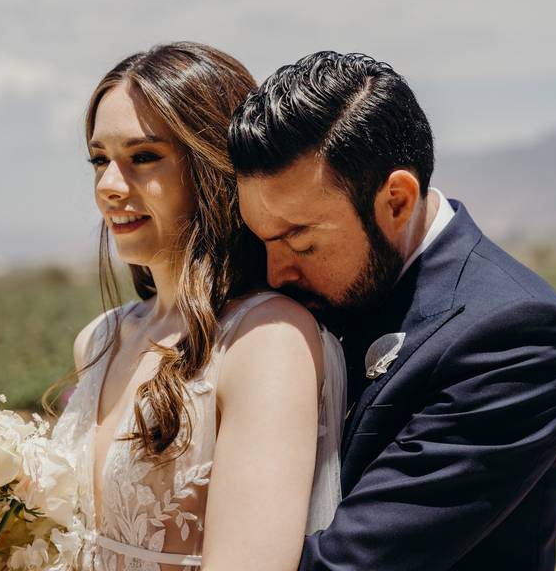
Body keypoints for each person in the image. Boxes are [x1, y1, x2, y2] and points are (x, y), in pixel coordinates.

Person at [227, 51, 556, 570]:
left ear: (396, 199)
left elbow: (352, 564)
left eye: (300, 241)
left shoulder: (514, 336)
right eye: (263, 241)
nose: (277, 272)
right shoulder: (313, 289)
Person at [49, 43, 346, 570]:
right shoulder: (98, 339)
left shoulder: (267, 340)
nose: (109, 187)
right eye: (99, 160)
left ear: (210, 165)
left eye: (143, 157)